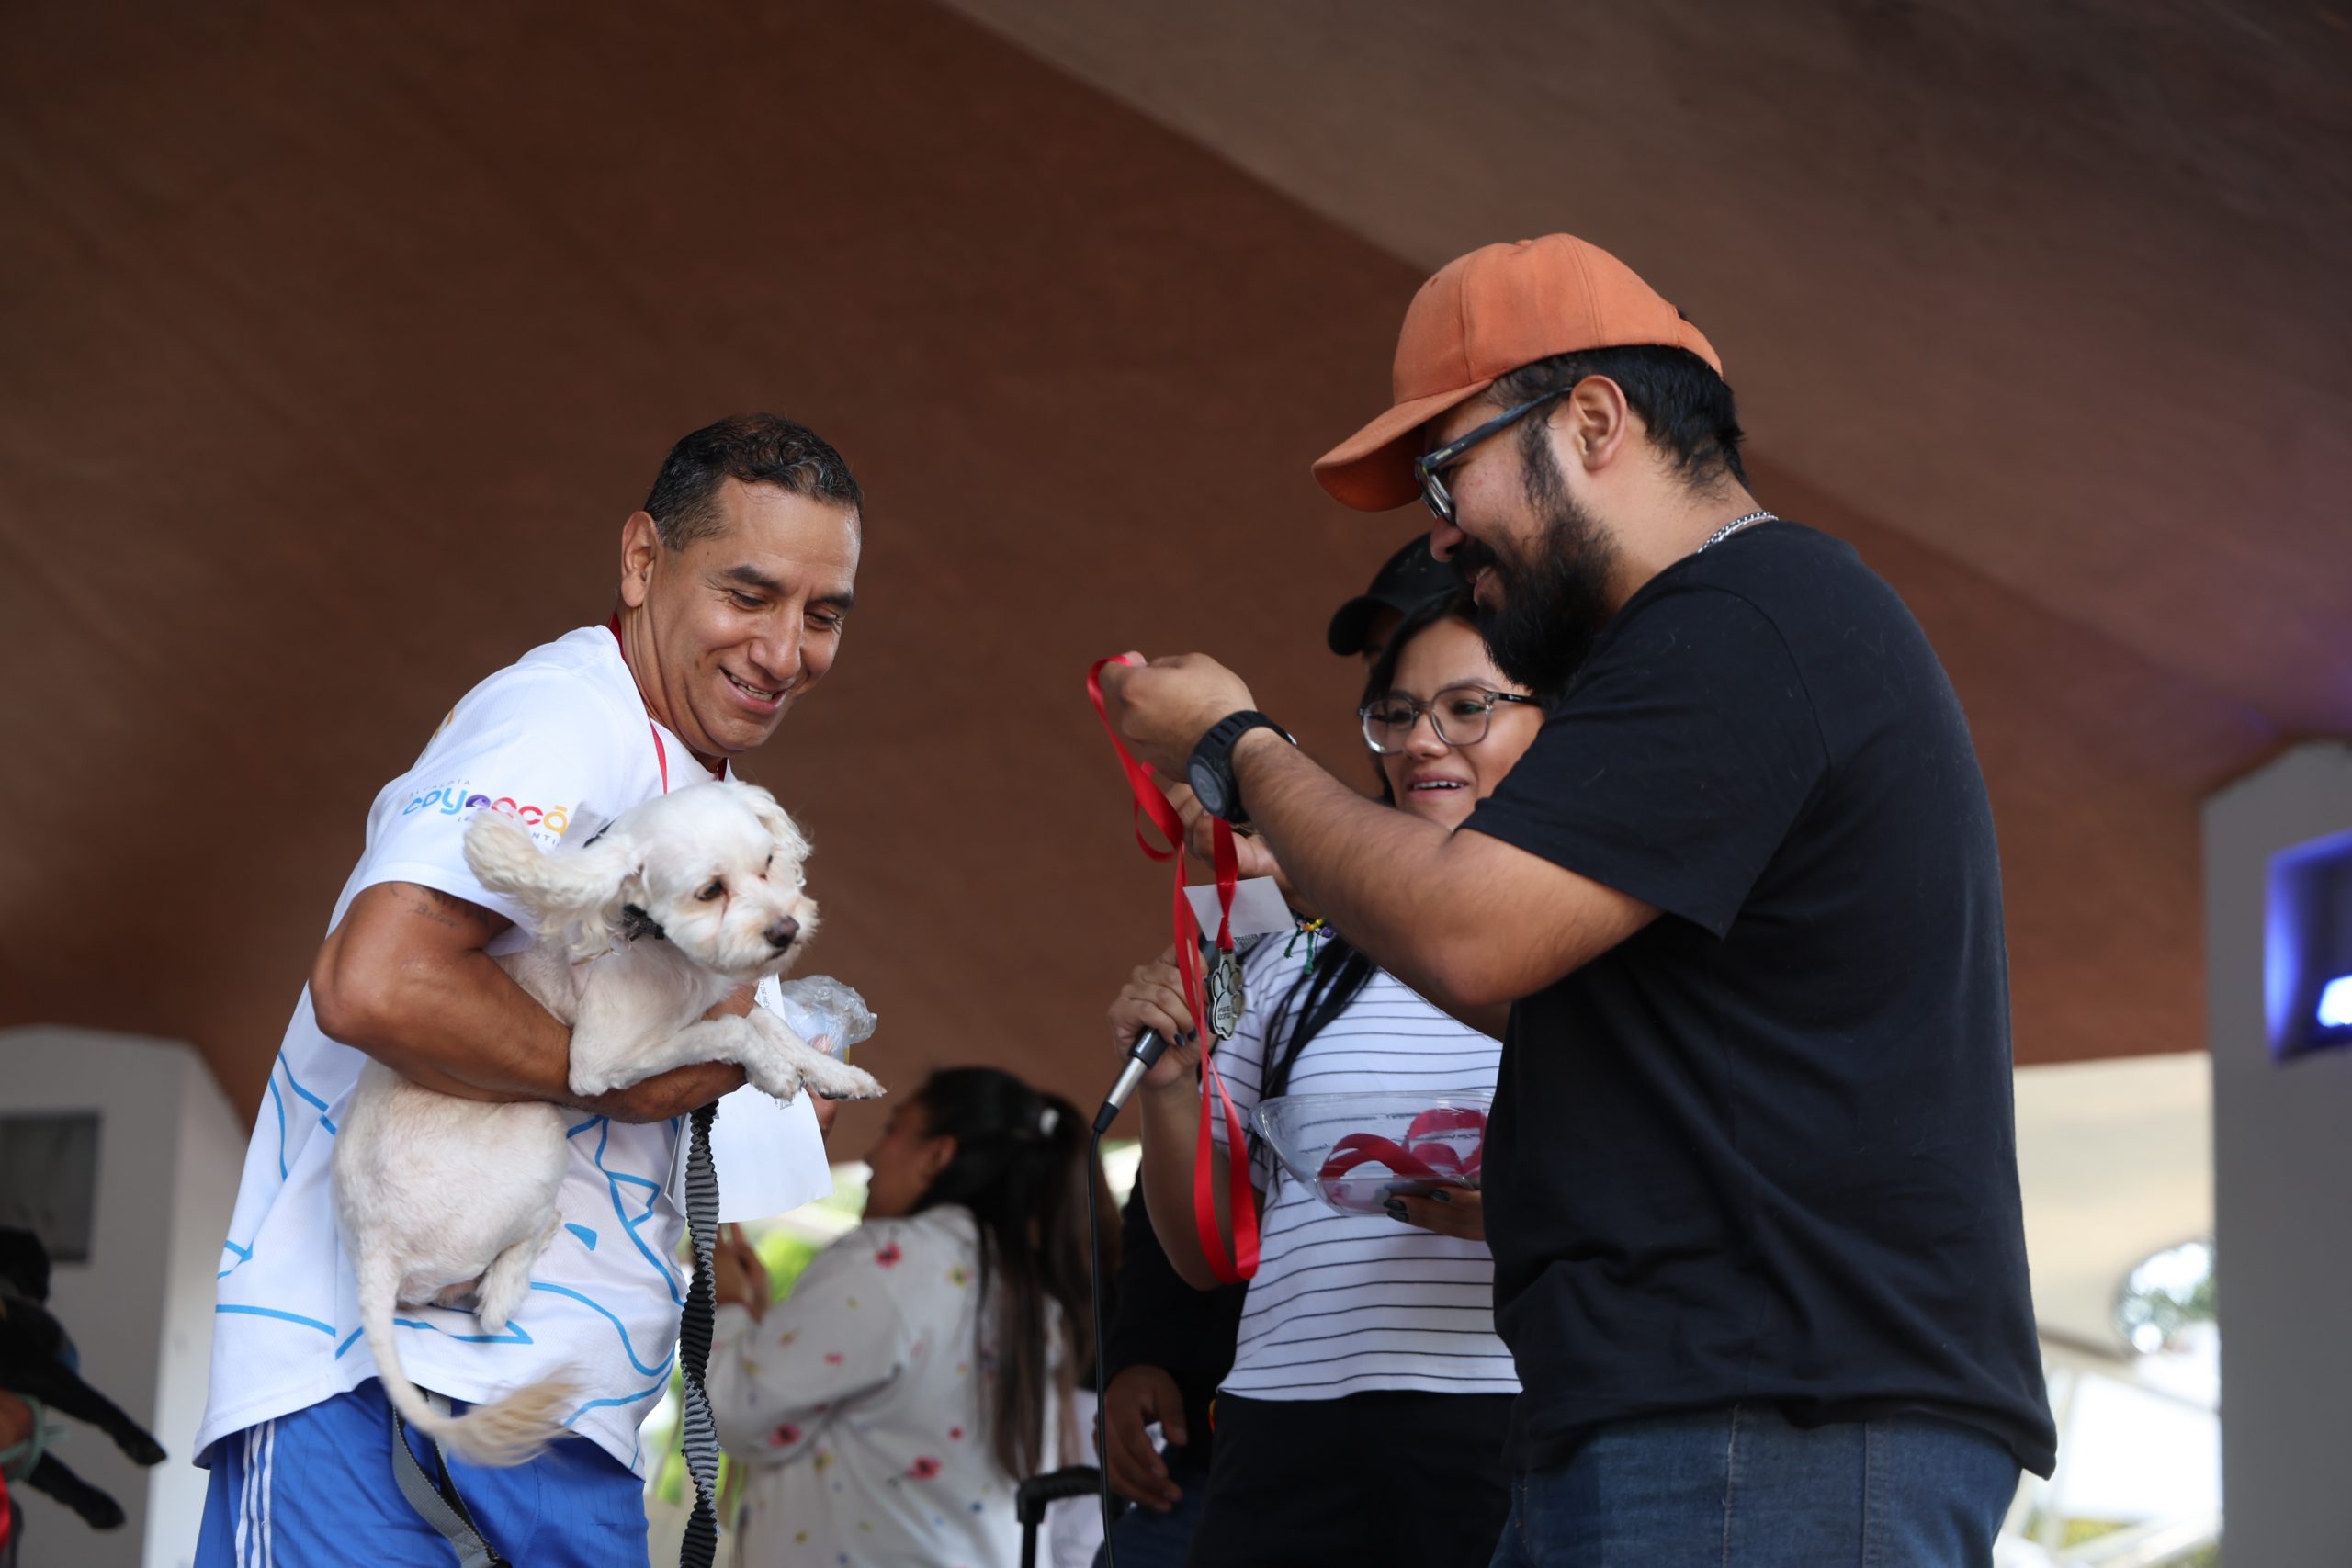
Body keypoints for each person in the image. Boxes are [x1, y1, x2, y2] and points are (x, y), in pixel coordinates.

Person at [1100, 233, 2056, 1564]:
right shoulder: (1734, 630)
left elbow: (1470, 929)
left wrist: (1238, 749)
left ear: (1594, 420)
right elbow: (1551, 983)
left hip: (1764, 1415)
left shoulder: (1743, 616)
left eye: (1447, 472)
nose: (1439, 532)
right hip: (1691, 1409)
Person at [194, 413, 864, 1567]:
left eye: (823, 613)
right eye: (748, 594)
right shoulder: (563, 719)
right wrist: (629, 1077)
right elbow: (377, 981)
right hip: (376, 1402)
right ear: (642, 561)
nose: (784, 647)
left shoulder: (691, 784)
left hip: (554, 1412)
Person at [1109, 589, 1535, 1568]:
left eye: (1468, 708)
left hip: (1504, 1414)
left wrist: (1523, 1198)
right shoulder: (1282, 952)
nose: (1425, 741)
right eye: (1396, 713)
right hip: (1282, 1420)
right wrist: (1175, 1084)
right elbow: (1203, 1249)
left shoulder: (1592, 942)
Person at [705, 1067, 1109, 1568]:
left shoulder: (893, 1259)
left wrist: (730, 1308)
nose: (873, 1156)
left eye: (892, 1128)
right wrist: (761, 1324)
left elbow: (739, 1411)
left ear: (938, 1155)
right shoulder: (1021, 1291)